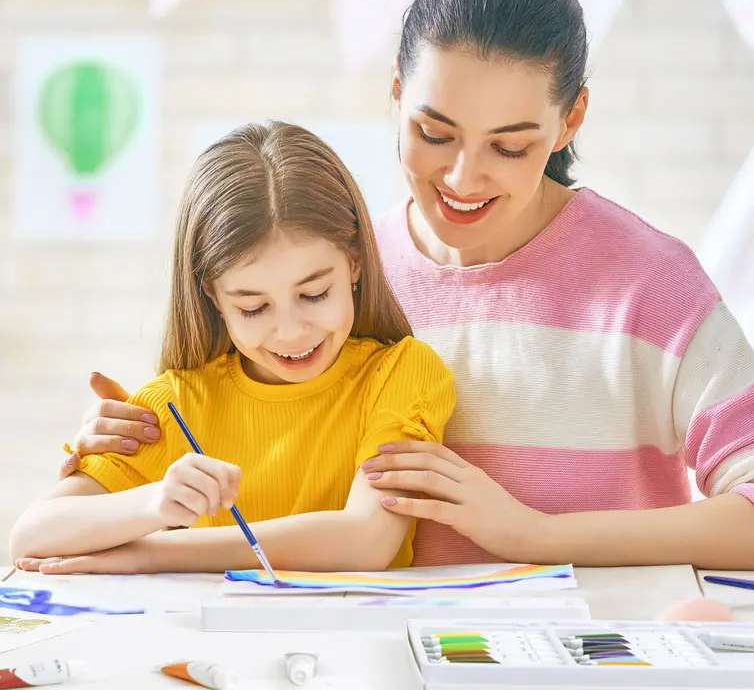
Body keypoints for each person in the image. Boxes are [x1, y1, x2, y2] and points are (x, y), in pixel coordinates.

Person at [58, 0, 754, 570]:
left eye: (510, 146)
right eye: (434, 132)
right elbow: (233, 418)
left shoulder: (647, 283)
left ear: (571, 117)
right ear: (395, 95)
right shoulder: (332, 279)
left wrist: (537, 537)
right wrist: (125, 457)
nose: (462, 177)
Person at [10, 122, 455, 574]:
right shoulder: (179, 402)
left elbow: (366, 541)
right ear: (214, 297)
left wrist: (147, 553)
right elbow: (32, 536)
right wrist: (153, 504)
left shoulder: (402, 372)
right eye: (253, 307)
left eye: (315, 294)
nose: (291, 332)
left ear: (355, 263)